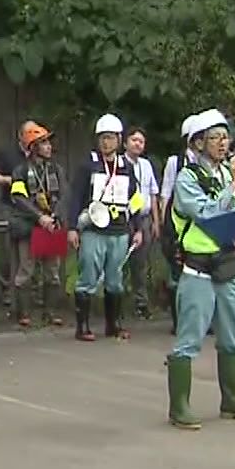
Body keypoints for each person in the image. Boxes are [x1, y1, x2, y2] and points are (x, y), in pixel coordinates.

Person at [165, 110, 235, 429]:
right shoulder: (187, 178)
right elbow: (205, 213)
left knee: (233, 337)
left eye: (225, 137)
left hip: (230, 265)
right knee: (189, 338)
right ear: (197, 143)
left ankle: (232, 398)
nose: (224, 143)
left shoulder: (230, 173)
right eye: (215, 138)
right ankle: (179, 405)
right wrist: (233, 184)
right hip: (198, 269)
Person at [65, 113, 143, 343]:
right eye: (102, 138)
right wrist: (72, 228)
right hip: (94, 230)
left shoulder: (126, 167)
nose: (106, 142)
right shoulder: (87, 165)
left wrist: (137, 227)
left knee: (115, 279)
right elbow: (76, 197)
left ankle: (114, 324)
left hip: (119, 231)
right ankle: (83, 325)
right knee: (88, 276)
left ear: (119, 140)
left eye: (110, 138)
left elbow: (135, 199)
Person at [5, 122, 67, 328]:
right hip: (30, 226)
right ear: (33, 147)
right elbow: (19, 198)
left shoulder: (56, 170)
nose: (49, 146)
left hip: (52, 225)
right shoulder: (20, 170)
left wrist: (55, 215)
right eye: (43, 143)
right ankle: (23, 312)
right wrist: (40, 217)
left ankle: (50, 312)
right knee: (26, 270)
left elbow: (64, 195)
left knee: (53, 271)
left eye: (49, 142)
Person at [0, 121, 38, 309]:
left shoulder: (38, 155)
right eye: (28, 133)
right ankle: (7, 289)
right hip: (10, 205)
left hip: (34, 209)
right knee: (8, 251)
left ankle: (32, 291)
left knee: (33, 251)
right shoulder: (7, 154)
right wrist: (11, 179)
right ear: (20, 135)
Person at [123, 126, 164, 319]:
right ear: (125, 143)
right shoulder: (120, 163)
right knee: (122, 259)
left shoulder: (146, 165)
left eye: (141, 141)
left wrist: (156, 221)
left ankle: (141, 302)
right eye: (134, 140)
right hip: (125, 218)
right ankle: (118, 299)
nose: (138, 144)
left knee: (141, 262)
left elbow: (153, 194)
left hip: (145, 216)